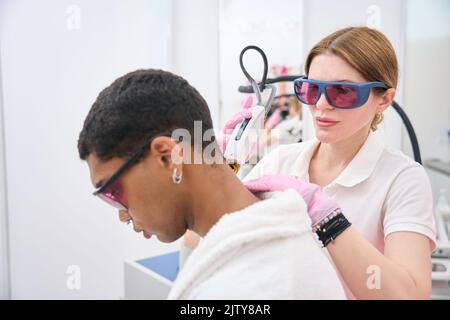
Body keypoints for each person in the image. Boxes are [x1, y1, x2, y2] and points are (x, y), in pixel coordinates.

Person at [77, 69, 346, 299]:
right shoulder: (267, 242)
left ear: (168, 156)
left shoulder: (254, 287)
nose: (122, 214)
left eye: (113, 192)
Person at [226, 26, 436, 299]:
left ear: (384, 99)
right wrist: (218, 164)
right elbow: (204, 236)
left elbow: (409, 295)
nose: (322, 105)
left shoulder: (403, 179)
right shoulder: (281, 161)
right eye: (311, 89)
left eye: (343, 92)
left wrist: (328, 220)